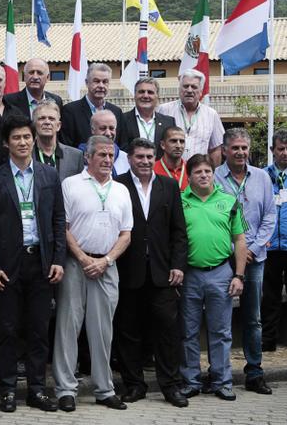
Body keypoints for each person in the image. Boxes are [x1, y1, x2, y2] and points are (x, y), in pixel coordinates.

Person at [0, 115, 65, 413]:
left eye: (27, 137)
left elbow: (58, 220)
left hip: (41, 264)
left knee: (39, 330)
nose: (23, 142)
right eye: (16, 138)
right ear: (6, 143)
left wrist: (58, 259)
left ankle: (37, 390)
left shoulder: (49, 176)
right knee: (7, 330)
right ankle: (7, 390)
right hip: (6, 266)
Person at [53, 135, 132, 412]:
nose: (107, 160)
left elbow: (126, 234)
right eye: (102, 155)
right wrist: (84, 258)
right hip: (77, 264)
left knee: (102, 331)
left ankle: (104, 389)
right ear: (88, 157)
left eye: (111, 156)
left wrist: (106, 260)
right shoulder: (70, 185)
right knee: (68, 327)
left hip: (107, 267)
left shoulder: (121, 190)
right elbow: (63, 227)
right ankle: (65, 389)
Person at [113, 138, 189, 408]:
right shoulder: (118, 185)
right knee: (128, 331)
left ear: (155, 158)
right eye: (139, 157)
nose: (144, 162)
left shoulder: (168, 186)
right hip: (127, 270)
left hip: (163, 272)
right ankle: (134, 385)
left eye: (149, 157)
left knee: (167, 332)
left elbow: (179, 231)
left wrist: (178, 265)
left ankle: (171, 386)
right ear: (130, 159)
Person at [179, 154, 248, 401]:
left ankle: (221, 381)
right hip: (190, 274)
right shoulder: (181, 201)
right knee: (188, 331)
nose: (204, 175)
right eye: (198, 172)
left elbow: (240, 240)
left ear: (213, 173)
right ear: (190, 176)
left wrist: (239, 275)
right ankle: (191, 381)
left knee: (221, 332)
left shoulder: (229, 201)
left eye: (208, 171)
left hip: (221, 273)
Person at [213, 128, 276, 395]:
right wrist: (234, 249)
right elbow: (211, 217)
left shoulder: (261, 177)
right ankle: (219, 373)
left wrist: (251, 247)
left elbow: (270, 217)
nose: (240, 152)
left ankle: (254, 372)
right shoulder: (214, 177)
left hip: (256, 258)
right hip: (223, 258)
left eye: (244, 148)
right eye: (235, 148)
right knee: (219, 319)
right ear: (225, 150)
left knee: (253, 319)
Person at [156, 69, 224, 166]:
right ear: (179, 89)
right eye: (185, 86)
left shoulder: (211, 114)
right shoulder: (163, 110)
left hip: (199, 174)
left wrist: (213, 174)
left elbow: (215, 149)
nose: (189, 90)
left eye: (194, 87)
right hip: (169, 173)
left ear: (201, 91)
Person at [263, 128, 287, 352]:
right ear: (272, 150)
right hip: (269, 246)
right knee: (269, 296)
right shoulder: (262, 176)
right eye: (281, 148)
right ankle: (268, 340)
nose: (285, 153)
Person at [60, 63, 123, 148]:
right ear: (87, 83)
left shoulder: (116, 112)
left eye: (105, 82)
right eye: (96, 81)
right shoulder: (70, 111)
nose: (101, 86)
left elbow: (121, 144)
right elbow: (66, 146)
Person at [118, 77, 174, 156]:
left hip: (159, 168)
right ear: (135, 95)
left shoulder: (169, 122)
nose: (145, 95)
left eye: (150, 92)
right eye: (141, 92)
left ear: (157, 96)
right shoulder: (122, 120)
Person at [30, 100, 84, 181]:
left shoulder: (76, 156)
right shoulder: (26, 155)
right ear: (34, 125)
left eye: (51, 119)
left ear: (58, 126)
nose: (47, 122)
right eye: (42, 118)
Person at [77, 110, 129, 175]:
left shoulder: (125, 158)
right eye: (103, 128)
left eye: (111, 128)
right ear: (92, 130)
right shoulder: (78, 158)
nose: (108, 133)